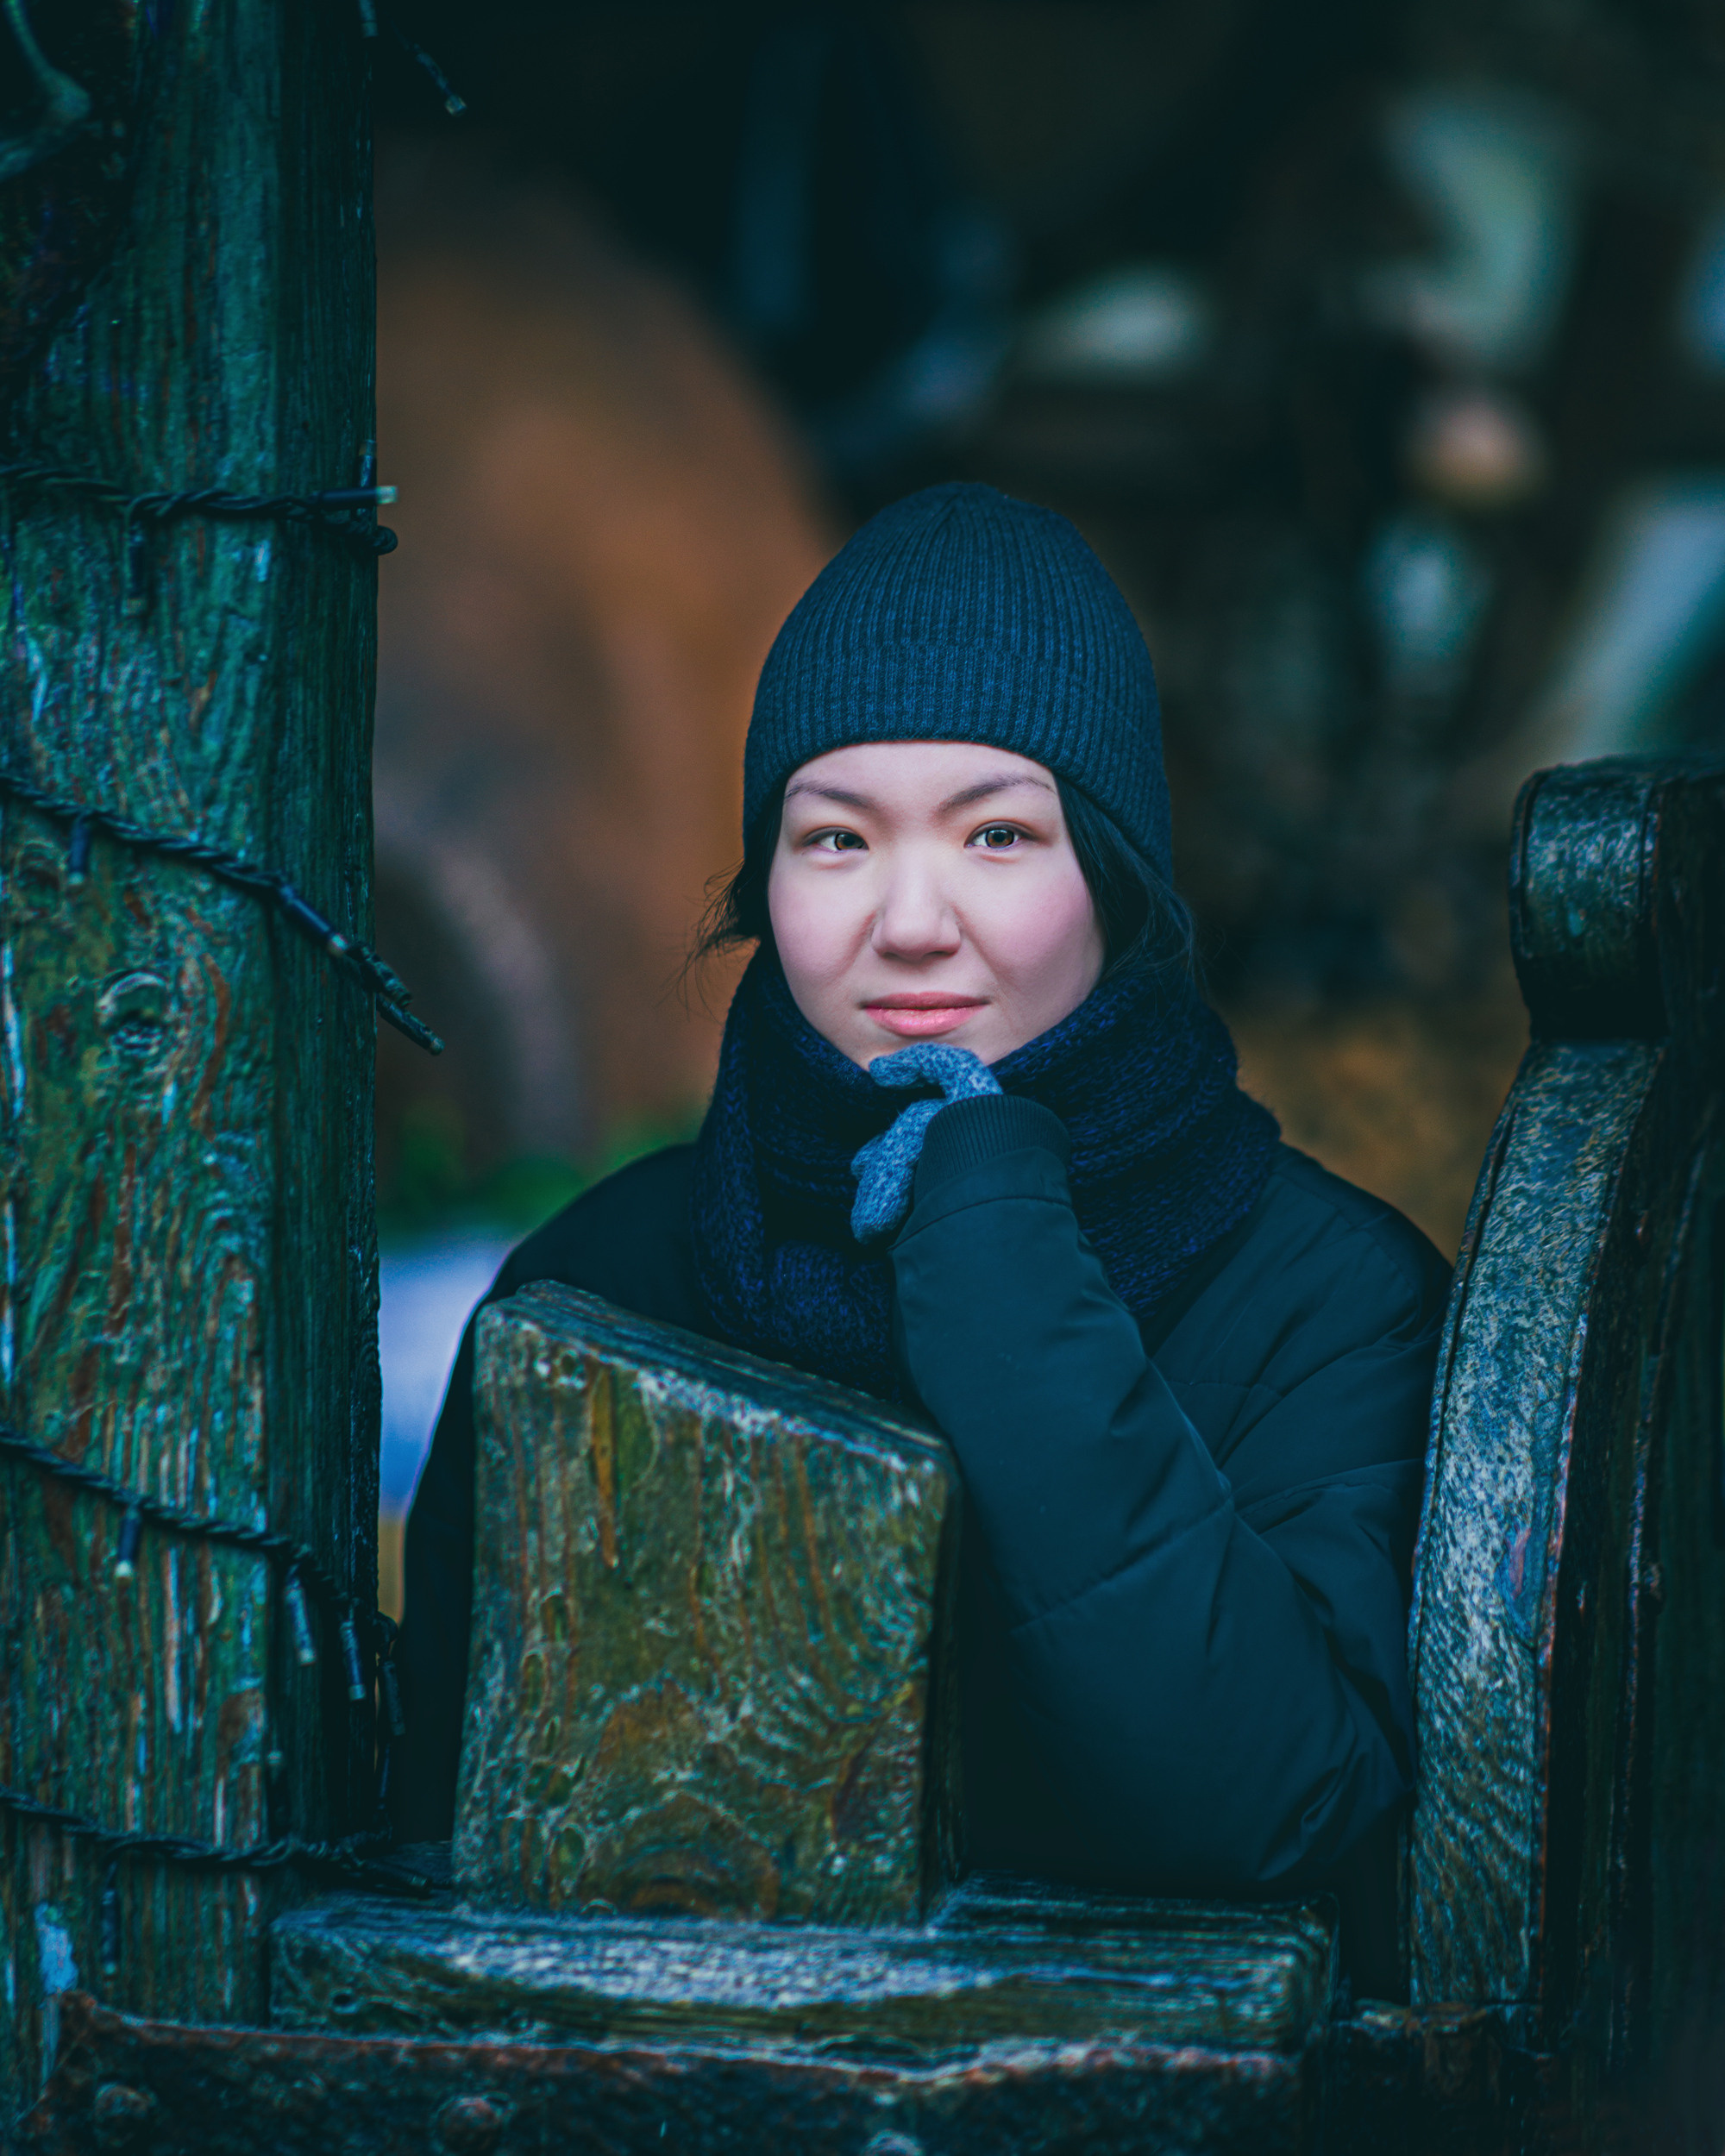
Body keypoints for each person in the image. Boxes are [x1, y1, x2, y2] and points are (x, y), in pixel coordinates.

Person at [395, 481, 1449, 1988]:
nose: (908, 918)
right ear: (764, 882)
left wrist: (993, 1223)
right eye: (836, 840)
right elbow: (440, 1840)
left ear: (1118, 879)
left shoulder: (1333, 1302)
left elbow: (1260, 1807)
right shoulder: (599, 1287)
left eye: (998, 835)